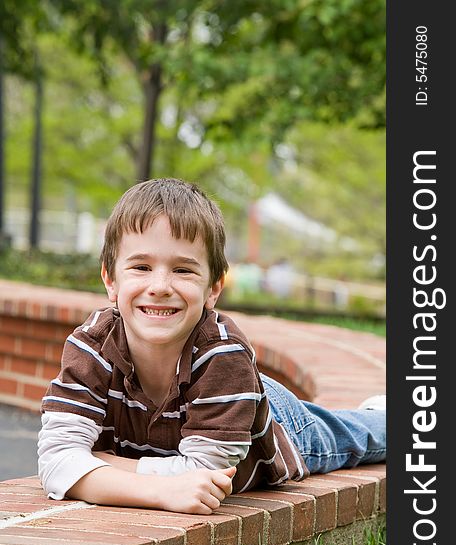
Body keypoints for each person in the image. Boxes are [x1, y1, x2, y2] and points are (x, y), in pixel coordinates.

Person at [38, 178, 386, 515]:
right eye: (141, 267)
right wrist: (160, 491)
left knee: (357, 438)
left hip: (269, 422)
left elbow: (203, 478)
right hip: (221, 406)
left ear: (214, 288)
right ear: (110, 281)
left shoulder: (224, 353)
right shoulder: (92, 346)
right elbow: (55, 462)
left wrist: (96, 465)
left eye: (183, 271)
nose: (160, 286)